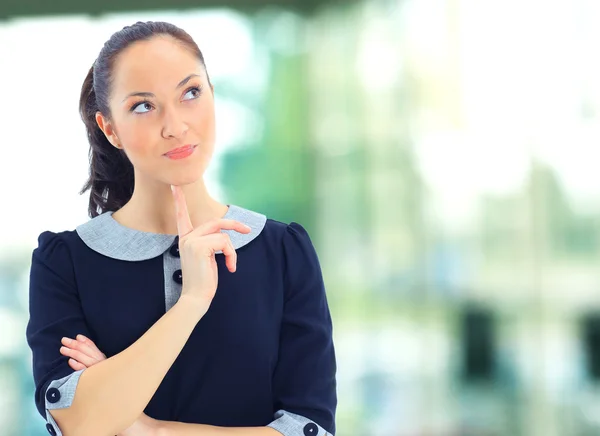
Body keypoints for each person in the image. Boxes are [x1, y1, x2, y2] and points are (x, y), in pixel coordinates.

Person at [25, 20, 337, 436]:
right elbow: (79, 423)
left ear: (212, 93)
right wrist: (190, 304)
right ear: (110, 128)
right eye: (143, 105)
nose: (174, 126)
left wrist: (147, 429)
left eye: (191, 93)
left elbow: (309, 427)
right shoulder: (64, 264)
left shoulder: (282, 251)